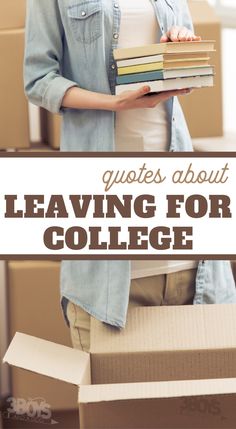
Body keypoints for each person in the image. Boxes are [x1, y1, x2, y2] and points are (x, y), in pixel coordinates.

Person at [24, 0, 236, 352]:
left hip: (179, 217)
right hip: (107, 236)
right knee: (112, 403)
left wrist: (180, 44)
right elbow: (38, 80)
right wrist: (114, 102)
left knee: (199, 398)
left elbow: (186, 65)